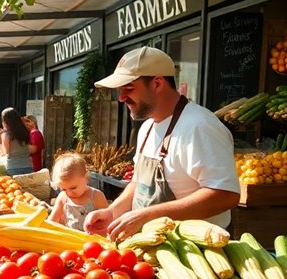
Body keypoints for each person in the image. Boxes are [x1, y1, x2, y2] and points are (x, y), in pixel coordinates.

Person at [85, 47, 240, 241]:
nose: (121, 97)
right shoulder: (147, 127)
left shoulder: (200, 126)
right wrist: (112, 211)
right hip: (153, 244)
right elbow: (139, 183)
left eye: (129, 88)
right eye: (120, 90)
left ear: (157, 83)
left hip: (194, 251)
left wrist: (148, 215)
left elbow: (225, 195)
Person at [48, 153, 108, 231]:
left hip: (93, 238)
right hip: (71, 239)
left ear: (86, 177)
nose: (69, 193)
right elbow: (52, 221)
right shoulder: (63, 197)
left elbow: (108, 219)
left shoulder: (96, 196)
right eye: (63, 189)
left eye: (73, 188)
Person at [0, 107, 34, 176]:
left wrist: (1, 147)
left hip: (13, 167)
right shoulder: (25, 131)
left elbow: (6, 152)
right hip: (28, 165)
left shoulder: (6, 135)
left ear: (5, 121)